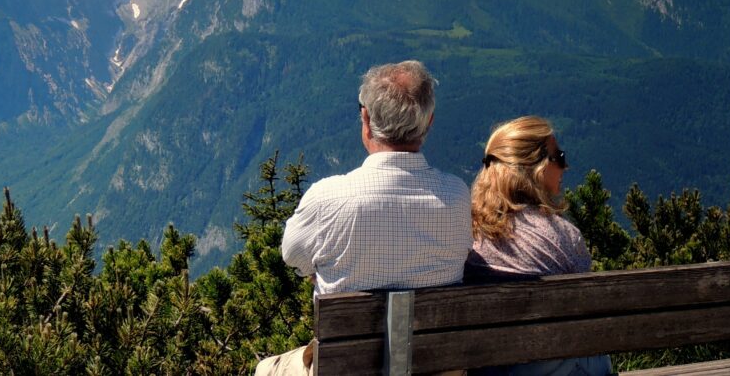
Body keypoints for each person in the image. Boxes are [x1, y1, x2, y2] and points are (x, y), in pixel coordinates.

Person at [256, 60, 472, 375]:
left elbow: (292, 257)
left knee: (266, 370)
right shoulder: (456, 195)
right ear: (429, 123)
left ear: (366, 119)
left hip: (344, 368)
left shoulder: (328, 198)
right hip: (436, 369)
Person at [465, 116, 612, 376]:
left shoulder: (465, 233)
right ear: (538, 168)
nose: (566, 167)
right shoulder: (563, 237)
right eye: (560, 157)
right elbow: (587, 317)